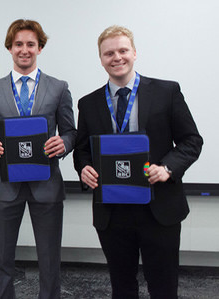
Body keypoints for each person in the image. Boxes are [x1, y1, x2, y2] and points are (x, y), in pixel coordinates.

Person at [73, 25, 203, 298]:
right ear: (100, 58)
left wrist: (167, 168)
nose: (116, 57)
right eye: (109, 53)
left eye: (122, 50)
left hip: (158, 208)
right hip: (113, 211)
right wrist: (84, 168)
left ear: (134, 53)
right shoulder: (89, 103)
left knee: (164, 287)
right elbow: (82, 151)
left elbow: (192, 141)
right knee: (122, 286)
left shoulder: (166, 92)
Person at [0, 19, 77, 299]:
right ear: (10, 48)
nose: (25, 50)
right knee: (2, 260)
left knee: (49, 261)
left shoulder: (59, 87)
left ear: (40, 48)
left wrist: (64, 143)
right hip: (5, 185)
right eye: (19, 44)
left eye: (31, 44)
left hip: (46, 184)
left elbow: (70, 131)